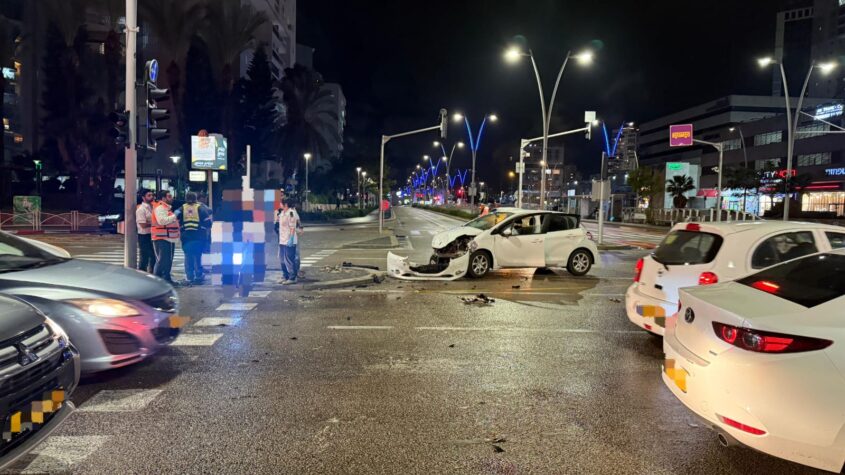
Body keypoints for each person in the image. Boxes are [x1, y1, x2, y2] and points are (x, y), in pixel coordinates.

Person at [177, 192, 211, 285]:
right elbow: (208, 223)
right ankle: (198, 275)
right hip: (198, 236)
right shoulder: (200, 208)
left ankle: (189, 277)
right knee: (197, 256)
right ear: (196, 198)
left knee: (188, 256)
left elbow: (174, 216)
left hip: (186, 237)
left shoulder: (181, 208)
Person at [151, 190, 180, 284]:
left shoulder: (166, 208)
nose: (172, 198)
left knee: (167, 261)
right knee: (162, 261)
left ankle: (166, 280)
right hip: (161, 238)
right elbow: (162, 221)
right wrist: (175, 215)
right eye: (169, 196)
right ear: (163, 198)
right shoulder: (160, 208)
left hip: (168, 238)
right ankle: (156, 281)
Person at [277, 199, 301, 285]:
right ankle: (285, 275)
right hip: (282, 240)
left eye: (280, 203)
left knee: (289, 260)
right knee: (281, 259)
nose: (279, 204)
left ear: (285, 204)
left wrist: (291, 239)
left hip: (289, 240)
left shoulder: (291, 213)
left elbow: (292, 227)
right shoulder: (282, 213)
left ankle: (292, 277)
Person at [135, 189, 156, 273]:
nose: (152, 197)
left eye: (152, 195)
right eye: (149, 195)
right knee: (144, 257)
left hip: (152, 234)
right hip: (144, 236)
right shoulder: (141, 209)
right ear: (143, 197)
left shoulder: (153, 207)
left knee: (154, 256)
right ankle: (142, 274)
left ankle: (152, 274)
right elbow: (142, 225)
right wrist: (155, 224)